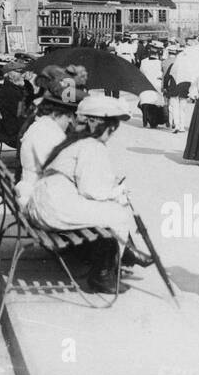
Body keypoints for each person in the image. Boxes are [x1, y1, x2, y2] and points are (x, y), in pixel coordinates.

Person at [25, 94, 139, 295]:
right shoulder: (92, 146)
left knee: (110, 211)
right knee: (118, 214)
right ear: (98, 124)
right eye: (111, 129)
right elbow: (91, 190)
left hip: (44, 200)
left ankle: (120, 257)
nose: (110, 134)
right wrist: (116, 192)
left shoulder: (74, 141)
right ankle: (103, 274)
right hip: (54, 207)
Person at [17, 66, 85, 205]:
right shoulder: (47, 134)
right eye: (68, 116)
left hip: (37, 192)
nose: (71, 121)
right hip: (42, 199)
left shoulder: (43, 126)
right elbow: (63, 172)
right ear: (55, 114)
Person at [137, 50, 166, 128]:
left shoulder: (143, 62)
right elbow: (161, 74)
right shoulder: (160, 63)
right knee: (155, 103)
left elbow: (141, 72)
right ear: (157, 54)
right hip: (156, 84)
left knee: (145, 102)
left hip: (146, 84)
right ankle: (154, 121)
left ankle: (145, 120)